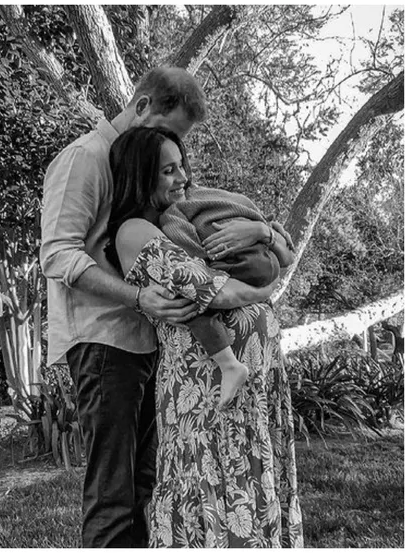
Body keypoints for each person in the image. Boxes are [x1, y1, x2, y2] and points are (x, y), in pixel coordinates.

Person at [106, 125, 303, 547]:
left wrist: (259, 233)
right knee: (214, 492)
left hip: (250, 388)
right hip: (205, 395)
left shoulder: (188, 219)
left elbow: (278, 256)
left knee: (254, 485)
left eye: (182, 168)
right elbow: (216, 290)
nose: (182, 180)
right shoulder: (134, 232)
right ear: (140, 176)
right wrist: (265, 293)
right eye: (168, 172)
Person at [40, 66, 208, 547]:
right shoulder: (84, 159)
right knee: (113, 496)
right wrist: (138, 297)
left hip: (143, 341)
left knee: (144, 488)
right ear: (141, 106)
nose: (167, 149)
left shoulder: (134, 161)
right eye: (164, 131)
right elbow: (57, 254)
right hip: (101, 344)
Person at [159, 185, 296, 407]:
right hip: (265, 259)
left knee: (189, 299)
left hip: (243, 263)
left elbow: (188, 253)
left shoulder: (174, 211)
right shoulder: (230, 198)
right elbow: (287, 256)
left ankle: (228, 365)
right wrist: (268, 232)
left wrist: (205, 263)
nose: (179, 178)